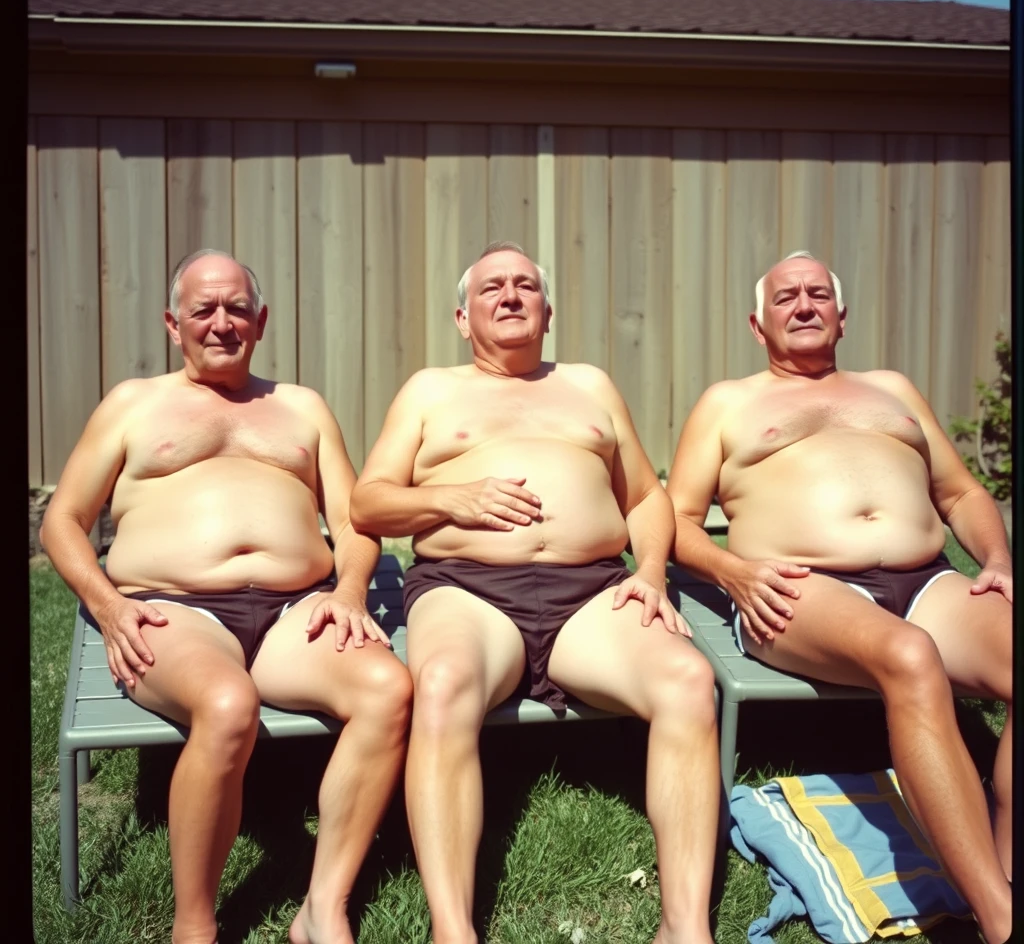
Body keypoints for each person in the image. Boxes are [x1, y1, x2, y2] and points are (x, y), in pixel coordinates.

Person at [349, 241, 719, 944]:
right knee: (445, 681)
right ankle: (452, 930)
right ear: (464, 316)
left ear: (547, 310)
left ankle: (686, 925)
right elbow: (368, 505)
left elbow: (643, 497)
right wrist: (452, 497)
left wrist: (648, 571)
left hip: (592, 590)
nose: (510, 295)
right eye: (492, 288)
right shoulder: (431, 389)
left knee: (687, 679)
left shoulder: (590, 385)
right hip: (468, 589)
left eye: (525, 286)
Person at [41, 249, 413, 944]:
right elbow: (63, 520)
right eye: (203, 309)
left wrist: (354, 588)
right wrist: (110, 605)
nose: (221, 323)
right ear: (172, 323)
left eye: (237, 308)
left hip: (295, 605)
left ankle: (321, 907)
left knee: (386, 690)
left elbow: (355, 516)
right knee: (226, 704)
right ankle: (196, 925)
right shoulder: (133, 404)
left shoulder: (300, 406)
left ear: (261, 320)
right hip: (173, 607)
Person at [666, 250, 1013, 944]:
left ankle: (1001, 876)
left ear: (842, 315)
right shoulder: (729, 402)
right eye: (786, 296)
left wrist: (999, 556)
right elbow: (674, 521)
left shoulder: (891, 388)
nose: (804, 304)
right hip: (797, 587)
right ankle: (1002, 923)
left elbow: (962, 492)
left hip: (927, 579)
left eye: (818, 294)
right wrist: (734, 573)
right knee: (910, 658)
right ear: (757, 323)